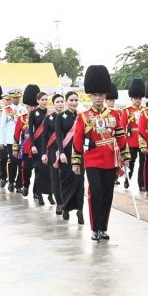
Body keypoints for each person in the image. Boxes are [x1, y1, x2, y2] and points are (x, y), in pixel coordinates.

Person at [73, 65, 130, 240]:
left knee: (107, 195)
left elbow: (120, 135)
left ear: (105, 95)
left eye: (101, 95)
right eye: (95, 95)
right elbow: (77, 139)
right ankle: (94, 228)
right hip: (92, 158)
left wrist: (125, 156)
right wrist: (76, 161)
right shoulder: (83, 116)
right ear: (90, 96)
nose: (98, 98)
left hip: (110, 159)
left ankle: (103, 228)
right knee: (95, 192)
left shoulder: (114, 114)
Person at [55, 91, 84, 223]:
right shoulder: (60, 117)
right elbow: (59, 136)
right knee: (66, 182)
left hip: (79, 154)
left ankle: (80, 210)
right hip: (65, 155)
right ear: (66, 102)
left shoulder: (82, 116)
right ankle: (66, 208)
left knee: (80, 183)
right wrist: (61, 153)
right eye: (71, 100)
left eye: (76, 100)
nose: (74, 102)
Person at [12, 85, 41, 197]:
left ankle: (36, 192)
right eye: (30, 106)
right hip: (26, 150)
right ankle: (25, 186)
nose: (32, 108)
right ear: (26, 106)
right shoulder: (22, 118)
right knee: (26, 170)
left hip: (39, 150)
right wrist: (15, 149)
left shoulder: (43, 117)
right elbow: (16, 135)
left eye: (34, 106)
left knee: (39, 172)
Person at [120, 78, 146, 190]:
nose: (138, 100)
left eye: (139, 98)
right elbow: (122, 126)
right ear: (132, 98)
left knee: (143, 164)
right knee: (130, 163)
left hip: (143, 140)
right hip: (131, 140)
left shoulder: (145, 110)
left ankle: (142, 184)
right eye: (136, 98)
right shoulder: (127, 110)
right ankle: (127, 180)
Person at [0, 90, 26, 192]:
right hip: (10, 139)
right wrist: (1, 141)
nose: (16, 99)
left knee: (21, 162)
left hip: (21, 139)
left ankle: (18, 185)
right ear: (11, 98)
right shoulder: (6, 110)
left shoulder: (24, 109)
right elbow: (2, 126)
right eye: (14, 98)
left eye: (18, 97)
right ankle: (11, 181)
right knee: (13, 161)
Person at [41, 94, 65, 209]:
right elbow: (44, 137)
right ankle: (59, 203)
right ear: (54, 104)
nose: (60, 104)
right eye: (57, 102)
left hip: (66, 152)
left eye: (62, 101)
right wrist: (43, 153)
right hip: (53, 151)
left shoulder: (69, 116)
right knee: (55, 178)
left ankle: (66, 201)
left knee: (66, 177)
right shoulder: (48, 118)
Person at [29, 91, 51, 205]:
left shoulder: (50, 112)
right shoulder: (33, 113)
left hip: (48, 145)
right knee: (38, 169)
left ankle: (43, 191)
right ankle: (37, 192)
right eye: (42, 99)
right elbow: (31, 132)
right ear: (38, 101)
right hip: (37, 145)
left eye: (46, 99)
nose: (44, 101)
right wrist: (32, 145)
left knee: (47, 170)